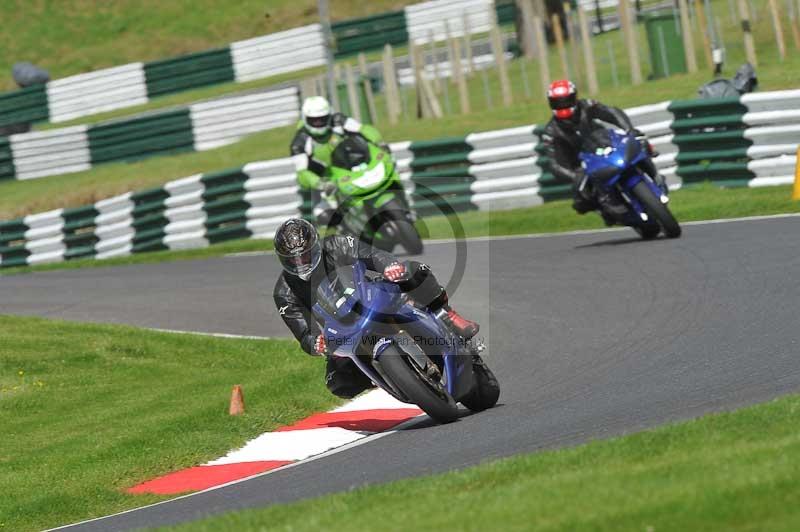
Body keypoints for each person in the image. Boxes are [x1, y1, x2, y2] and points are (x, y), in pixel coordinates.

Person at [272, 218, 479, 399]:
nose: (301, 264)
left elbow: (372, 254)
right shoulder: (284, 292)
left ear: (316, 246)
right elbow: (305, 333)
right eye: (293, 260)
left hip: (370, 297)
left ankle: (446, 314)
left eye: (305, 256)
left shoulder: (337, 244)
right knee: (337, 382)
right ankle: (386, 378)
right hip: (341, 331)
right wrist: (316, 343)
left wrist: (389, 266)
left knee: (413, 271)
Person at [541, 79, 665, 222]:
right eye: (558, 103)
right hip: (582, 163)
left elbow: (611, 112)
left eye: (566, 101)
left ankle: (655, 176)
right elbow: (554, 164)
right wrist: (574, 175)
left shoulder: (586, 105)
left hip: (605, 143)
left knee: (638, 141)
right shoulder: (550, 132)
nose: (563, 106)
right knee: (582, 197)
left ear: (574, 98)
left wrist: (629, 129)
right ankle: (608, 210)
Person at [290, 96, 410, 225]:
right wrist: (321, 184)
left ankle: (405, 208)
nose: (319, 123)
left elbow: (364, 129)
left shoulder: (338, 120)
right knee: (325, 216)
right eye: (314, 120)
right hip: (325, 179)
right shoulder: (299, 142)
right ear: (305, 118)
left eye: (322, 119)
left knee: (390, 169)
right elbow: (302, 173)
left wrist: (380, 143)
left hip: (349, 164)